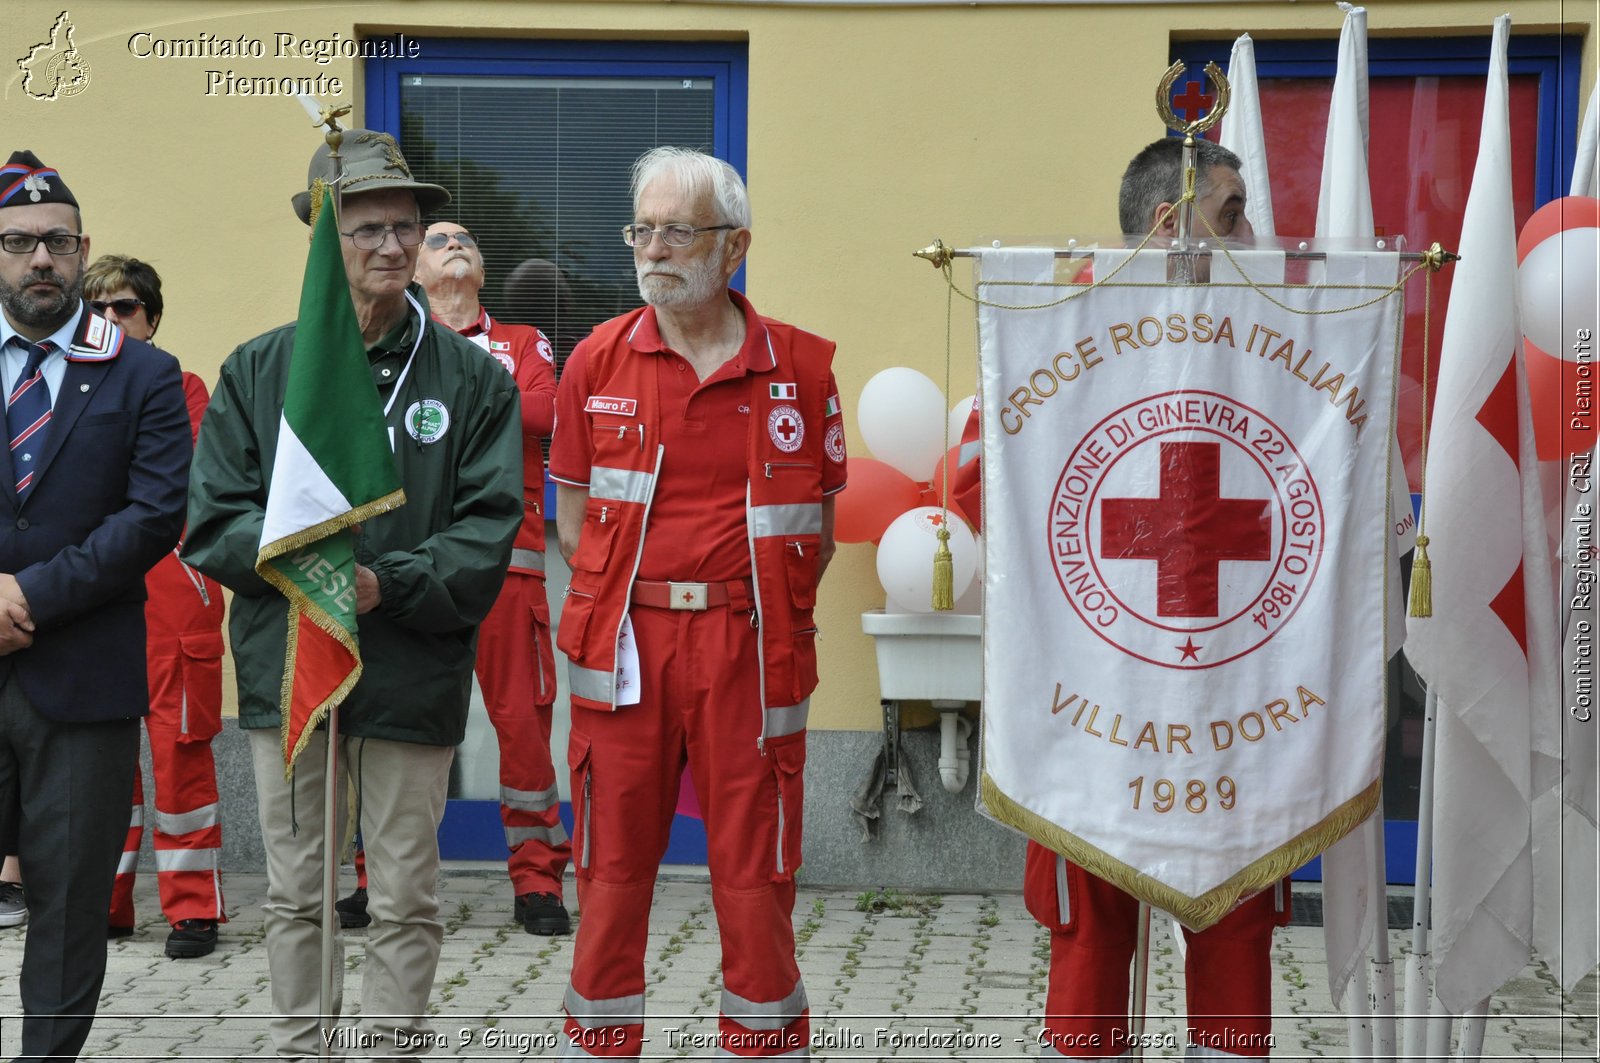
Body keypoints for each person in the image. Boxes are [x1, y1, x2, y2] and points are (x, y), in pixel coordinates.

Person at [183, 131, 522, 1058]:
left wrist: (385, 583)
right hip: (290, 665)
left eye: (404, 227)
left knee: (408, 888)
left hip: (412, 666)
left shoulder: (473, 379)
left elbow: (491, 528)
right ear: (323, 239)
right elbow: (212, 517)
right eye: (366, 227)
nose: (389, 247)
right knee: (295, 886)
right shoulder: (259, 369)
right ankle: (302, 1043)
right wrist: (316, 576)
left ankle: (391, 1044)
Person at [953, 136, 1285, 1062]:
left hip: (1237, 702)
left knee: (1235, 920)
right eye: (1233, 212)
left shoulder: (1280, 357)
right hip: (1092, 705)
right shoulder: (1056, 337)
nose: (1253, 232)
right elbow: (987, 489)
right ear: (1173, 226)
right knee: (1092, 930)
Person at [550, 146, 846, 1060]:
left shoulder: (799, 366)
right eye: (642, 229)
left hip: (749, 648)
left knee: (756, 874)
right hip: (628, 645)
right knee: (609, 875)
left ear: (735, 245)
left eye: (677, 231)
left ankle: (762, 1042)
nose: (654, 250)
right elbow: (569, 521)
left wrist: (734, 604)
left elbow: (820, 532)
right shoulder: (596, 360)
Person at [0, 150, 191, 1061]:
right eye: (19, 242)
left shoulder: (144, 372)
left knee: (72, 905)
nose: (41, 259)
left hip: (83, 678)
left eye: (57, 243)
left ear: (84, 252)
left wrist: (30, 596)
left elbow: (154, 514)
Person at [82, 255, 227, 958]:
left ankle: (193, 906)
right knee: (101, 756)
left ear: (152, 318)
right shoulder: (63, 388)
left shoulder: (181, 384)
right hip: (95, 592)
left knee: (180, 749)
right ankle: (106, 903)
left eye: (127, 308)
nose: (113, 319)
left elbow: (167, 488)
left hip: (174, 588)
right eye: (100, 308)